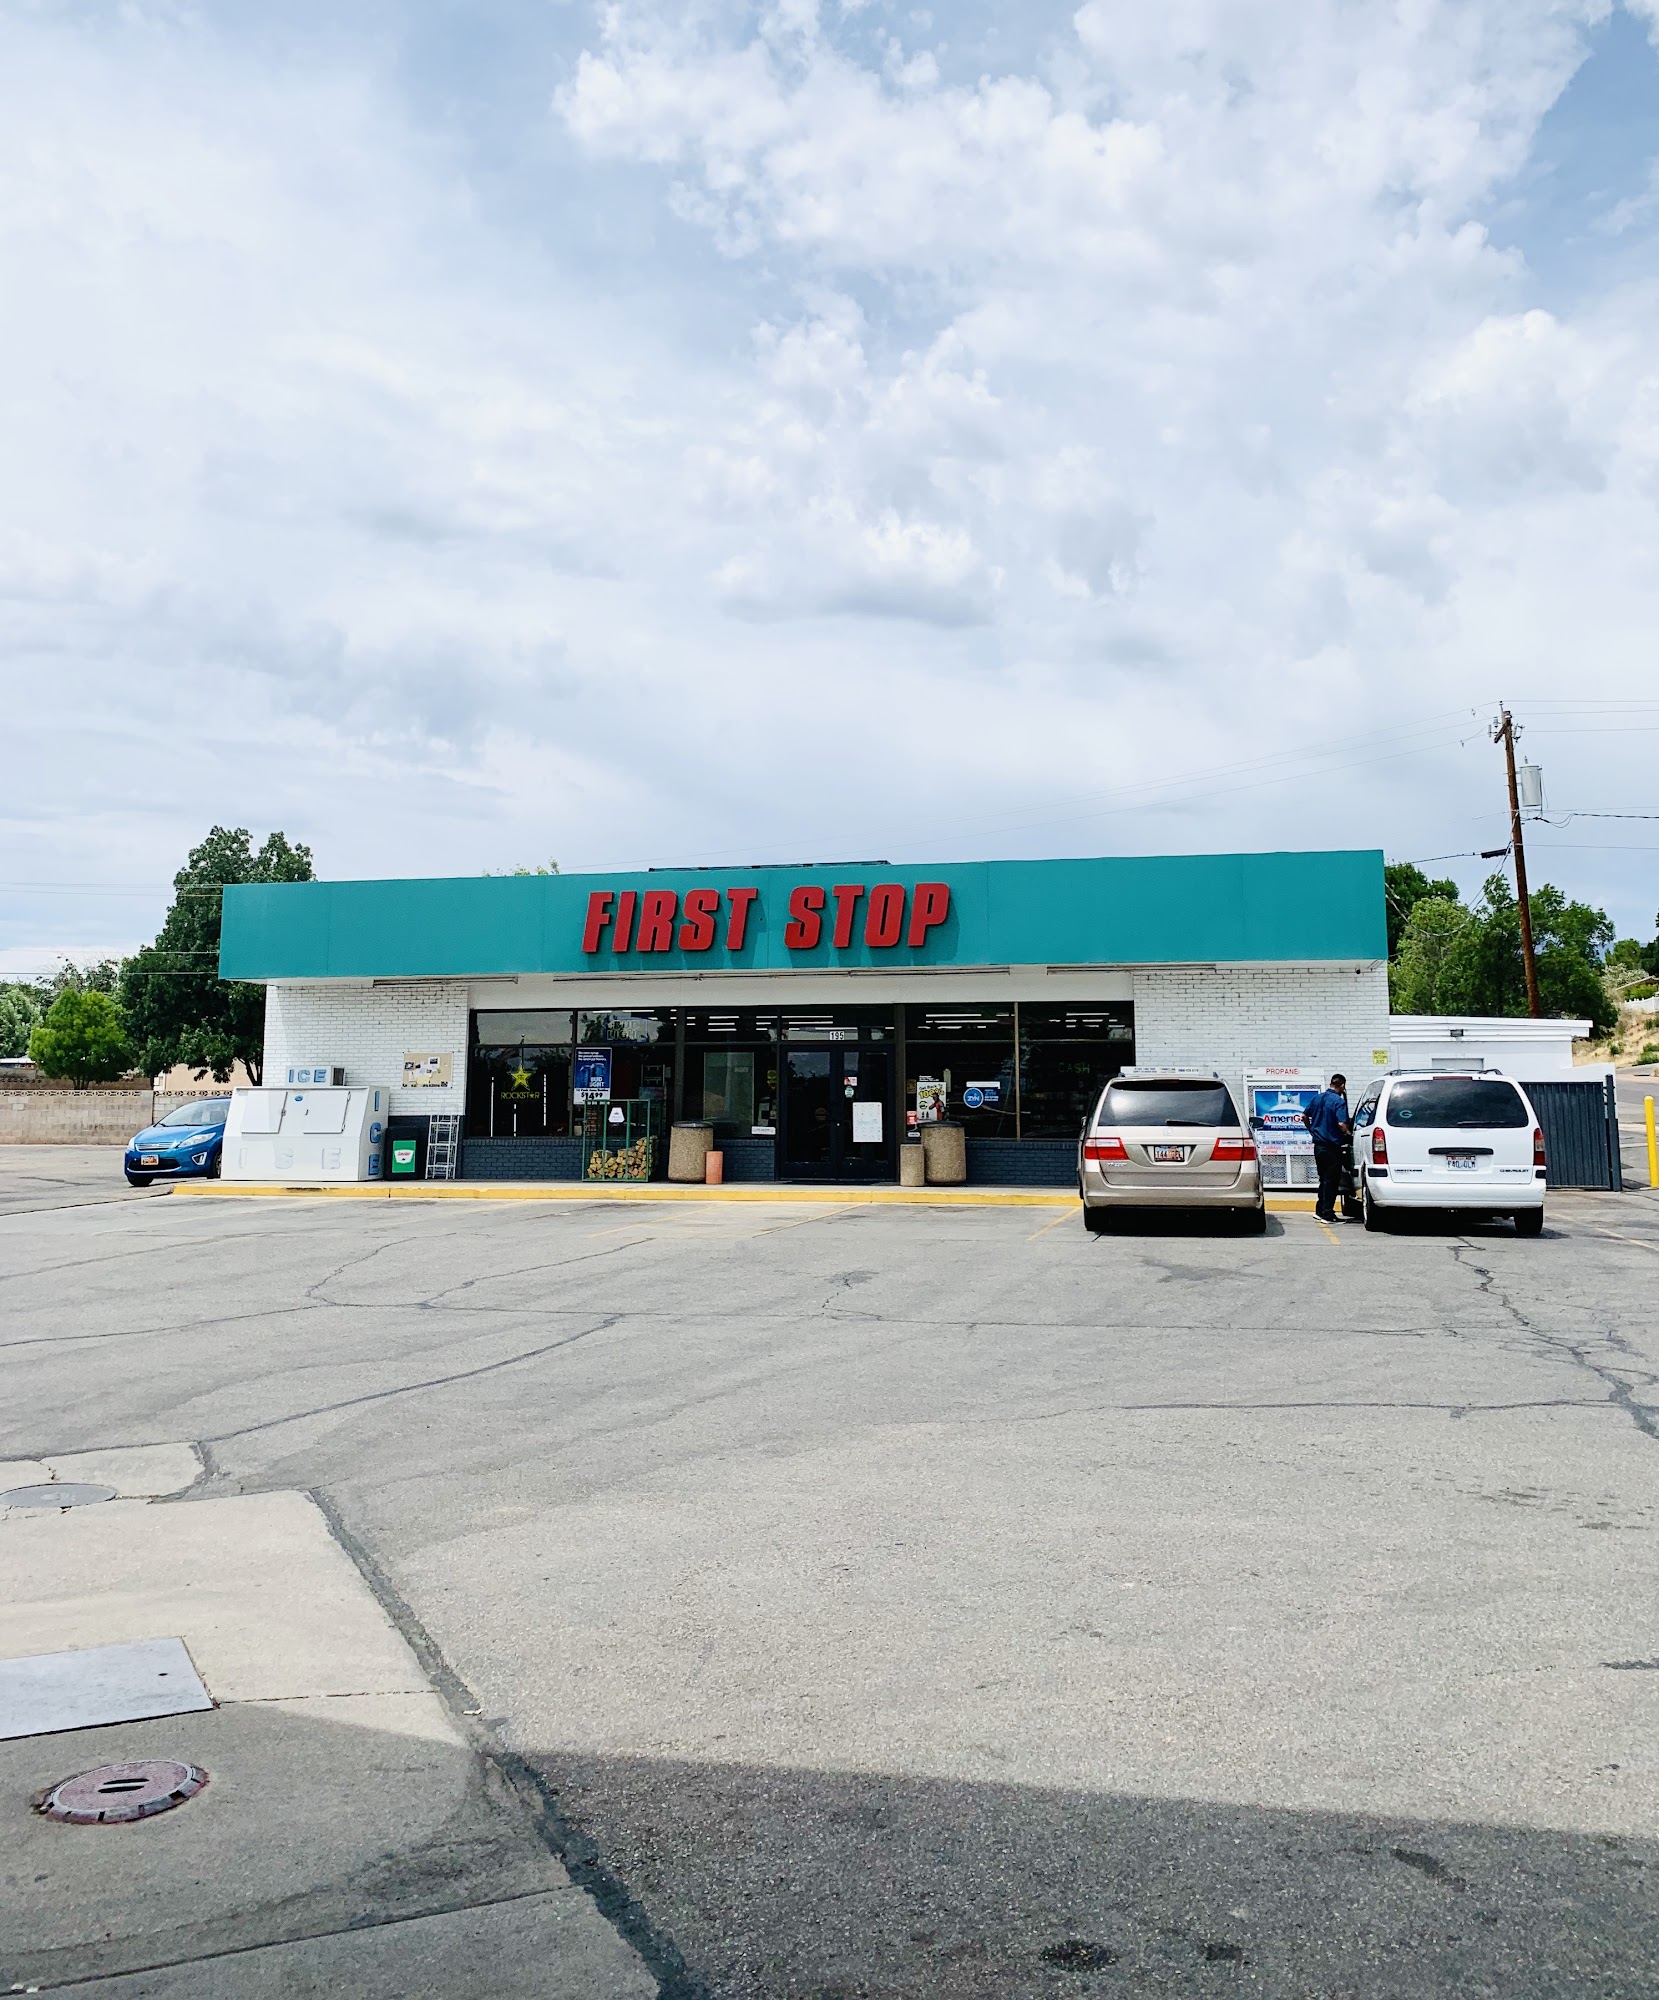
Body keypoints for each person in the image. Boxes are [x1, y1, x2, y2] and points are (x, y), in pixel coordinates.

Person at [1303, 1073, 1351, 1223]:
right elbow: (1341, 1124)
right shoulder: (1338, 1101)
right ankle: (1327, 1214)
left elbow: (1304, 1116)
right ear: (1342, 1086)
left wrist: (1311, 1130)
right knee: (1331, 1181)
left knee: (1323, 1179)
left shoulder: (1317, 1098)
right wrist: (1348, 1134)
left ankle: (1320, 1211)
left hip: (1318, 1146)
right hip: (1332, 1147)